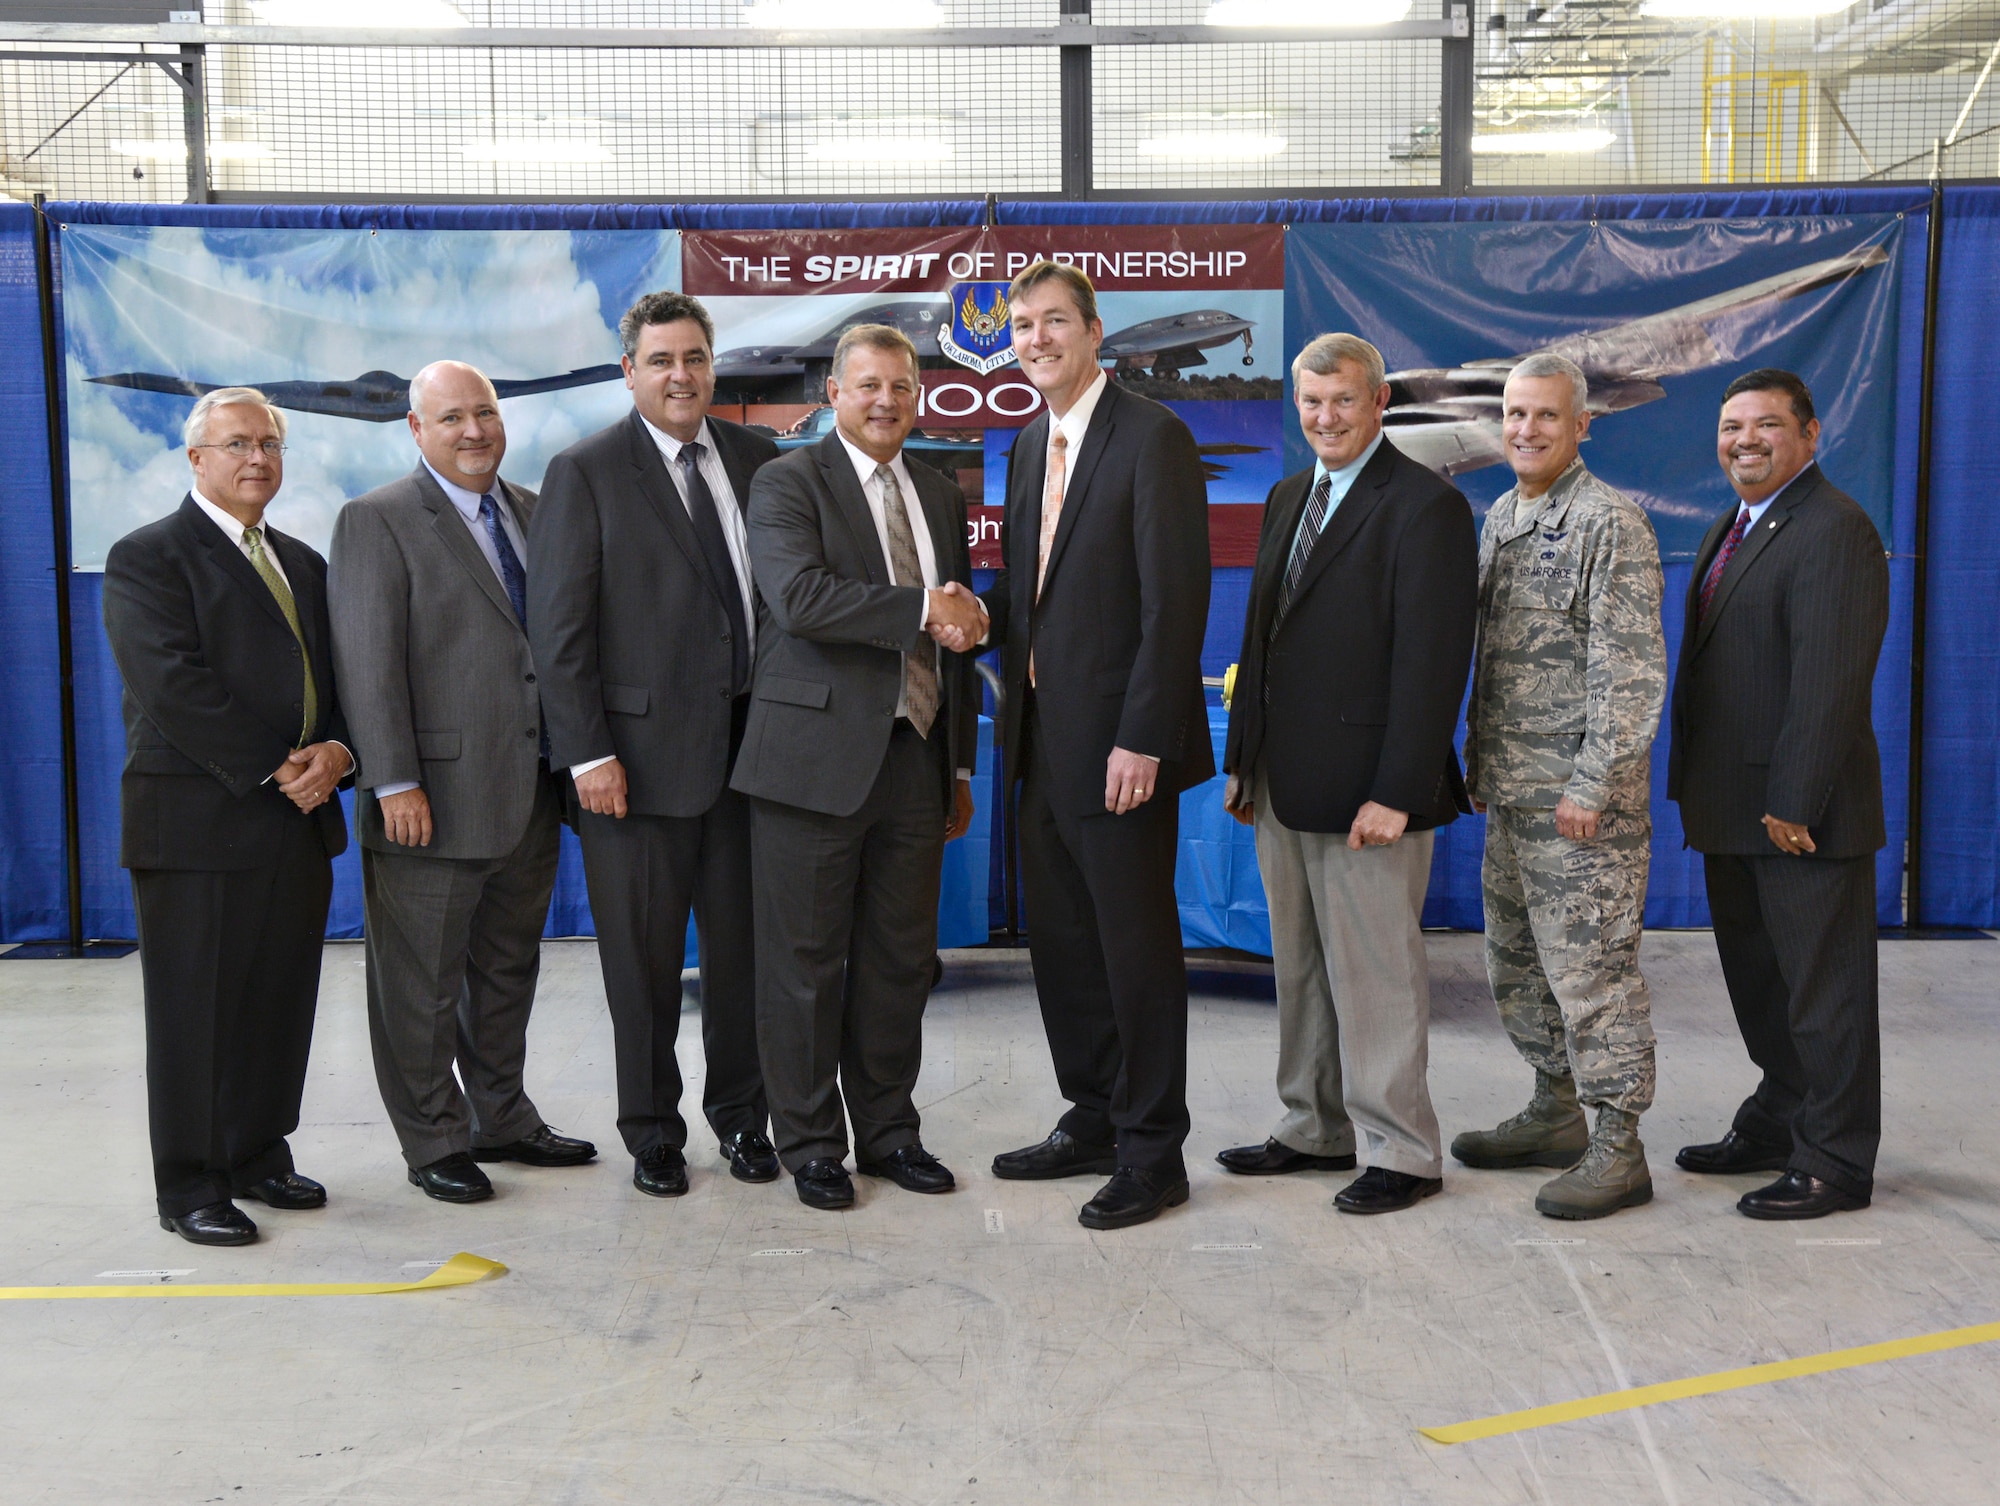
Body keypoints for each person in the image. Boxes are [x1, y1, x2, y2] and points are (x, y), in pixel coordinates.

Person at [527, 292, 780, 1198]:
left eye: (696, 358)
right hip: (631, 772)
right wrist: (587, 755)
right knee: (641, 966)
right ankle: (652, 1132)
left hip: (754, 764)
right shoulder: (585, 471)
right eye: (663, 360)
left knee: (746, 962)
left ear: (714, 366)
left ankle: (746, 1120)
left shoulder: (758, 458)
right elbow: (557, 632)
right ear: (629, 370)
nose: (682, 375)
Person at [1218, 332, 1477, 1216]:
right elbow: (1260, 643)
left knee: (1376, 975)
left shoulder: (1423, 506)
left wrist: (1399, 791)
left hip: (1372, 790)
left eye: (1342, 402)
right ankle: (1314, 1125)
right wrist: (1241, 761)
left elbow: (1432, 665)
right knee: (1300, 968)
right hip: (1284, 783)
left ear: (1378, 405)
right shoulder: (1291, 495)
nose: (1325, 418)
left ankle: (1402, 1150)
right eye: (1311, 402)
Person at [329, 360, 596, 1205]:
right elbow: (367, 663)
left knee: (507, 973)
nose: (474, 430)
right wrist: (393, 780)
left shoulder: (534, 511)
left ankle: (501, 1117)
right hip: (429, 801)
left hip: (527, 793)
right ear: (417, 430)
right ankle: (433, 1139)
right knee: (421, 986)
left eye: (484, 413)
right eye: (452, 419)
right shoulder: (377, 520)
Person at [731, 324, 984, 1211]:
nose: (886, 402)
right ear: (833, 393)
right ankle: (808, 1145)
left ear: (920, 397)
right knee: (804, 965)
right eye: (868, 385)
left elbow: (950, 640)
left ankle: (888, 1133)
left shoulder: (939, 493)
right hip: (811, 766)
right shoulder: (784, 481)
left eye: (902, 387)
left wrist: (958, 768)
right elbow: (799, 599)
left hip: (916, 762)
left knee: (899, 962)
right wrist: (928, 606)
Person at [981, 261, 1212, 1231]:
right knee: (1066, 948)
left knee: (1134, 952)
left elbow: (1173, 605)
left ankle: (1153, 1149)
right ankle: (1093, 1115)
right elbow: (1032, 601)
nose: (1035, 339)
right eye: (1021, 326)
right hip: (1042, 745)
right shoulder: (1031, 445)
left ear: (1092, 330)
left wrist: (1141, 739)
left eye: (1052, 323)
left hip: (1119, 752)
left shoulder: (1149, 437)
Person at [103, 387, 353, 1246]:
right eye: (239, 444)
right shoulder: (148, 558)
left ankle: (257, 1153)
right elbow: (172, 686)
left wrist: (339, 754)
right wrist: (279, 763)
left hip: (296, 821)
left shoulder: (304, 564)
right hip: (197, 827)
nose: (258, 460)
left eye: (271, 445)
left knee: (278, 1003)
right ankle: (190, 1184)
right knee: (194, 1014)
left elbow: (341, 686)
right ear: (196, 459)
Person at [1668, 368, 1890, 1221]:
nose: (1744, 440)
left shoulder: (1833, 528)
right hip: (1733, 810)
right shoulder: (1739, 523)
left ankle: (1835, 1160)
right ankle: (1780, 1118)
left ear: (1811, 433)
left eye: (1765, 425)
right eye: (1731, 427)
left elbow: (1829, 683)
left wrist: (1795, 801)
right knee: (1762, 985)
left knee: (1823, 995)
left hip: (1799, 817)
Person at [1451, 353, 1666, 1220]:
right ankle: (1555, 1111)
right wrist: (1477, 766)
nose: (1526, 430)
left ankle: (1619, 1145)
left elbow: (1631, 671)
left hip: (1581, 810)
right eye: (1514, 414)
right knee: (1520, 965)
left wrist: (1594, 783)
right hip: (1512, 793)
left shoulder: (1609, 522)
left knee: (1594, 974)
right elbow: (1496, 660)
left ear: (1582, 426)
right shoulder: (1503, 514)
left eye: (1545, 416)